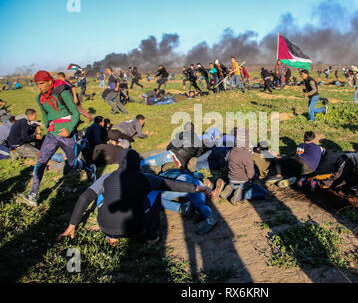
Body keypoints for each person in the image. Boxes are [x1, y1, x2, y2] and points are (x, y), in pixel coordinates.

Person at [57, 149, 212, 246]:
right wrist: (198, 188)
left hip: (105, 226)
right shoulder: (144, 177)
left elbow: (85, 197)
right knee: (156, 195)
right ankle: (151, 237)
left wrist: (72, 225)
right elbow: (171, 185)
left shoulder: (107, 177)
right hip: (135, 229)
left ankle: (111, 237)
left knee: (100, 194)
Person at [20, 71, 96, 207]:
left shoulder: (63, 94)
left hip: (67, 135)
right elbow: (44, 114)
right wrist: (47, 127)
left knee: (72, 163)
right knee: (41, 161)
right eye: (37, 84)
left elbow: (75, 114)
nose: (39, 87)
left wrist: (69, 129)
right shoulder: (40, 98)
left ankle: (90, 169)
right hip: (51, 135)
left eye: (41, 83)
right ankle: (33, 194)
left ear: (50, 81)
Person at [214, 128, 268, 205]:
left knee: (233, 184)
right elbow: (250, 174)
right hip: (243, 182)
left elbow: (226, 161)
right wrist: (253, 177)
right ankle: (240, 195)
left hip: (231, 180)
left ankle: (230, 190)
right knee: (264, 192)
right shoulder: (247, 155)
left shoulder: (231, 151)